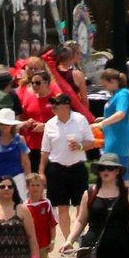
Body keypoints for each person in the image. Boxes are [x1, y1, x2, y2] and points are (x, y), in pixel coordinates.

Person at [39, 93, 96, 243]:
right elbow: (45, 150)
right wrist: (41, 171)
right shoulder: (50, 124)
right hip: (57, 169)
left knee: (80, 204)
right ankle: (67, 240)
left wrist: (80, 146)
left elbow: (91, 142)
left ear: (66, 106)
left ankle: (78, 235)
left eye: (56, 105)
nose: (53, 108)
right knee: (62, 207)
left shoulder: (80, 120)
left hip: (77, 167)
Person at [0, 109, 32, 201]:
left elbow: (26, 162)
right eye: (1, 124)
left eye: (7, 124)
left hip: (17, 179)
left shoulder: (20, 139)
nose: (3, 126)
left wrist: (28, 181)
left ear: (12, 125)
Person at [94, 70, 129, 172]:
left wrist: (102, 123)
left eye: (105, 85)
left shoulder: (123, 94)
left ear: (112, 81)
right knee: (110, 165)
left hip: (119, 136)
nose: (105, 88)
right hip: (112, 135)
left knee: (117, 166)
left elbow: (121, 114)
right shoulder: (116, 95)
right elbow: (114, 113)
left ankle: (125, 185)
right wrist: (103, 118)